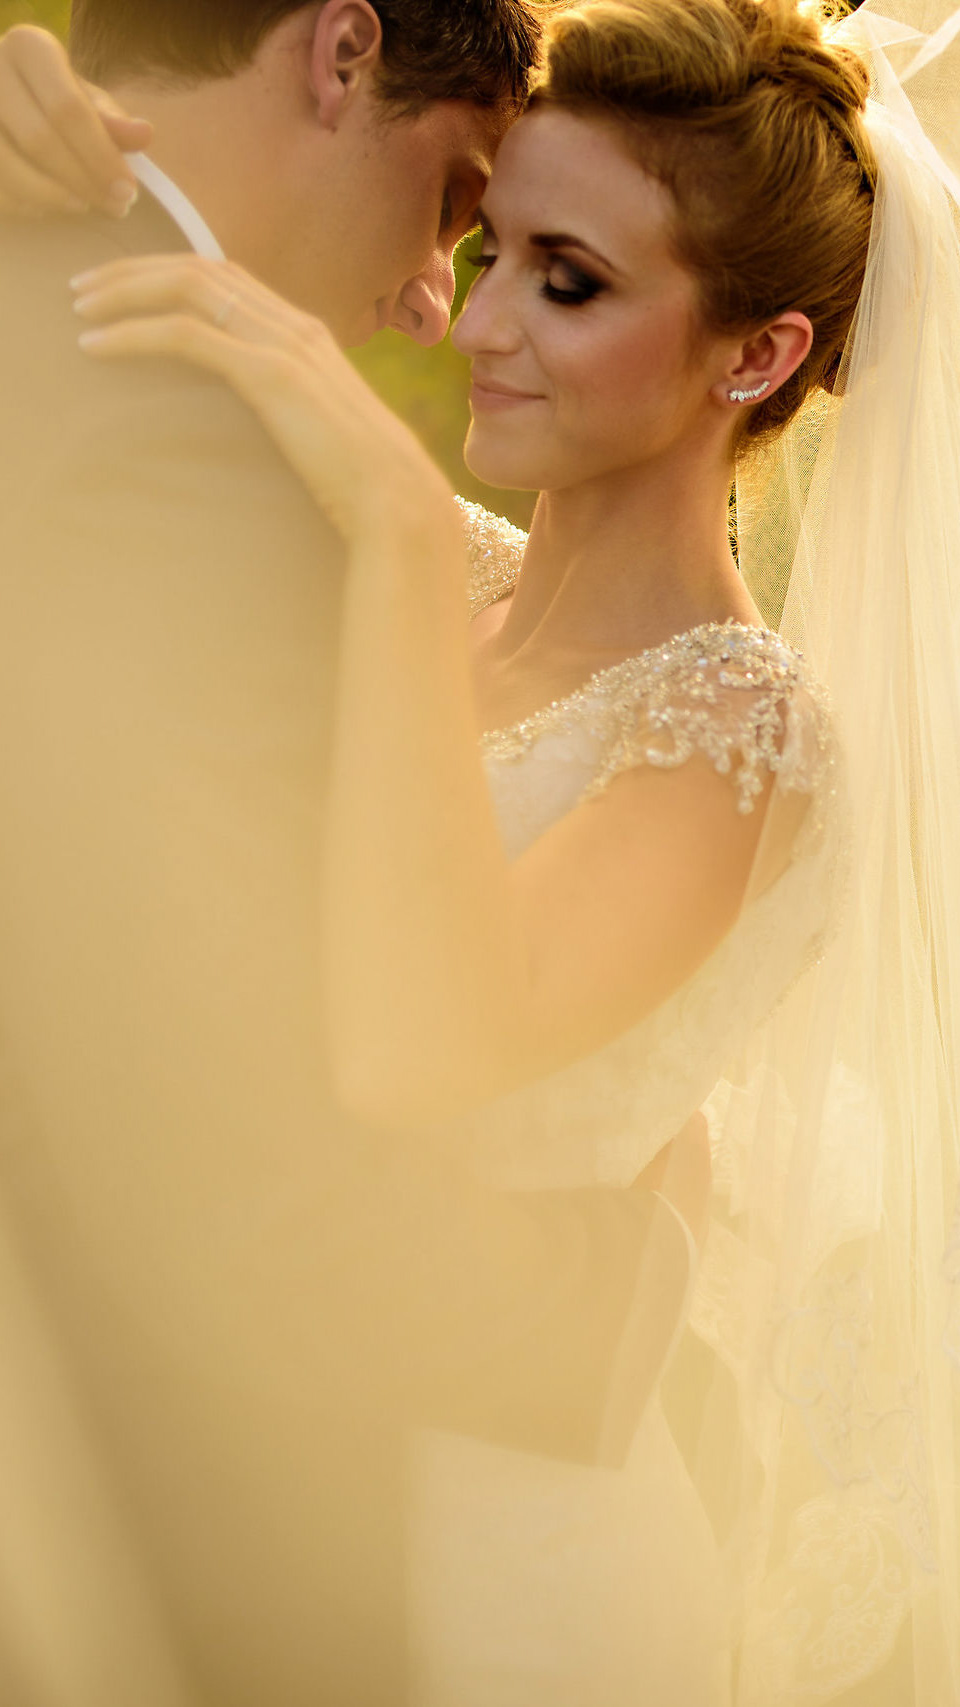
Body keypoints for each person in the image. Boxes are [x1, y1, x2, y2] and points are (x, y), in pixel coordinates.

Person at [4, 0, 960, 1702]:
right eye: (491, 245)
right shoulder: (399, 548)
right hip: (227, 1470)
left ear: (756, 355)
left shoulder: (740, 743)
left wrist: (382, 515)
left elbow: (418, 1047)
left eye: (565, 278)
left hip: (512, 1546)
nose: (471, 317)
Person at [0, 5, 677, 1706]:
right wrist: (627, 1294)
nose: (441, 304)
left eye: (551, 265)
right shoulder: (179, 453)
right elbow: (224, 1161)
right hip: (181, 1499)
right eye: (457, 208)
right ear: (341, 54)